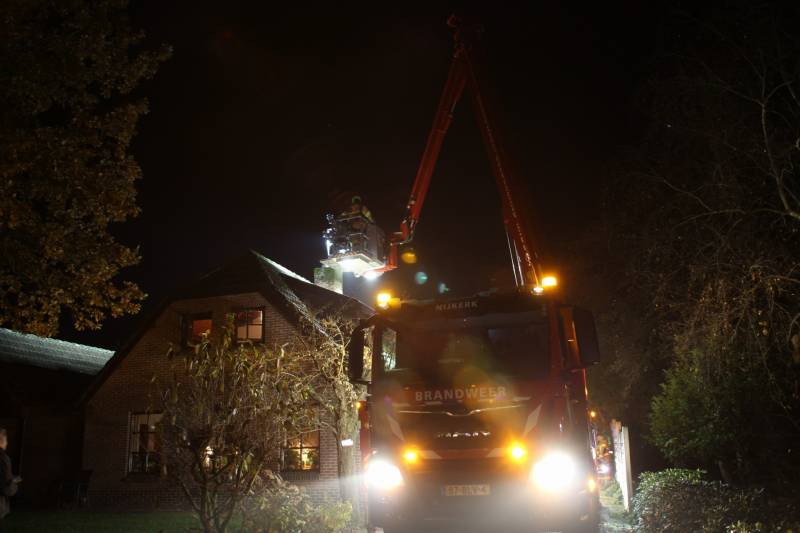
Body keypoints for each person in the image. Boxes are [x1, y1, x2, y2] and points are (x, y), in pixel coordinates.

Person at [0, 428, 21, 525]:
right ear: (1, 441)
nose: (7, 443)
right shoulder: (4, 459)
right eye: (6, 440)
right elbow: (7, 483)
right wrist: (15, 481)